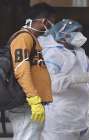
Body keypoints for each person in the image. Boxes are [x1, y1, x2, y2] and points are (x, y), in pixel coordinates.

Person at [38, 19, 89, 140]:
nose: (80, 35)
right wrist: (73, 79)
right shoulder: (51, 54)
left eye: (80, 31)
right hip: (59, 119)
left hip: (81, 118)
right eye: (75, 32)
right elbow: (45, 84)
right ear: (63, 34)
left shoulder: (81, 53)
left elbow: (86, 84)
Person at [8, 3, 55, 140]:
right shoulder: (23, 38)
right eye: (52, 23)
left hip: (30, 103)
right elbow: (21, 70)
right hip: (26, 103)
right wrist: (33, 99)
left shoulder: (32, 39)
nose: (52, 27)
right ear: (44, 21)